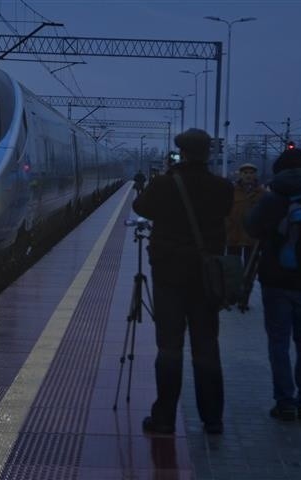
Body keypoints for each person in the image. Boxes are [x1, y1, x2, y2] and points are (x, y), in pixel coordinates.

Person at [133, 128, 233, 435]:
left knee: (169, 347)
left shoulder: (165, 184)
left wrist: (167, 176)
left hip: (169, 276)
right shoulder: (223, 187)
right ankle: (212, 418)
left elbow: (141, 208)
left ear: (182, 153)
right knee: (206, 346)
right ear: (209, 153)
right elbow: (224, 213)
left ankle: (164, 418)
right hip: (206, 278)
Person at [244, 147, 301, 422]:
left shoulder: (274, 198)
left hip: (276, 281)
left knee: (279, 343)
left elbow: (251, 228)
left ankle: (284, 402)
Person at [226, 163, 265, 266]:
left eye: (251, 173)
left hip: (253, 235)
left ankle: (248, 282)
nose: (248, 175)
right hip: (234, 233)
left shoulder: (261, 193)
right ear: (240, 174)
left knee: (251, 265)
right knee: (233, 266)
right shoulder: (232, 191)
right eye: (245, 173)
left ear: (255, 175)